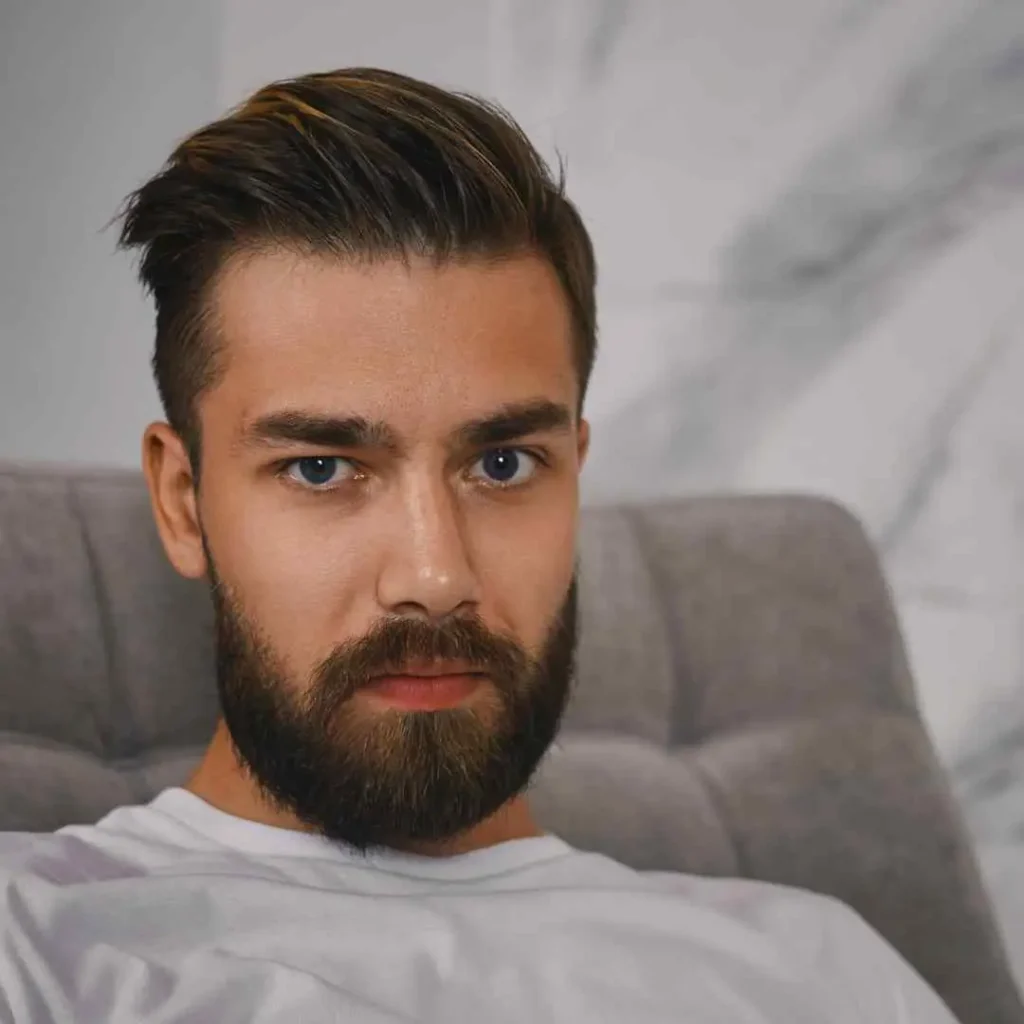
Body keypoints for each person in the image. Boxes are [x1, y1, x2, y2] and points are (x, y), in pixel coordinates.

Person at [0, 68, 960, 1023]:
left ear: (574, 473)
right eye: (323, 468)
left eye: (502, 463)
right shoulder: (39, 941)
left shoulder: (816, 971)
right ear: (182, 503)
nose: (435, 576)